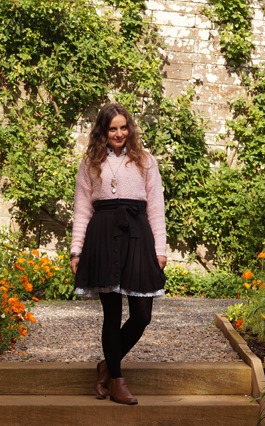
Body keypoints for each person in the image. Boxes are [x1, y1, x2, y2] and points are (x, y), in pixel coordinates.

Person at [70, 103, 167, 405]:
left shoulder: (145, 160)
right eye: (113, 128)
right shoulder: (90, 162)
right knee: (111, 315)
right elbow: (82, 208)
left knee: (142, 315)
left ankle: (105, 368)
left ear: (130, 128)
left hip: (137, 235)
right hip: (102, 235)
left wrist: (160, 249)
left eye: (123, 127)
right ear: (103, 130)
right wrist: (76, 250)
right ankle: (117, 380)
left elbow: (156, 206)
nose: (119, 133)